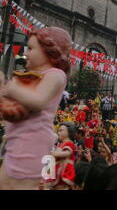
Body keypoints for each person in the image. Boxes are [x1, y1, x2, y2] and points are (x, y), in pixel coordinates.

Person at [0, 27, 72, 190]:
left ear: (50, 50)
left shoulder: (55, 75)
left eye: (31, 48)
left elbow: (38, 101)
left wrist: (11, 89)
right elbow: (12, 110)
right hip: (17, 142)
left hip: (32, 143)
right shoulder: (31, 76)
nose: (25, 52)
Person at [48, 122, 77, 190]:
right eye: (58, 131)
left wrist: (54, 154)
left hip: (65, 172)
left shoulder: (69, 143)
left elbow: (67, 153)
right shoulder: (60, 144)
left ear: (69, 132)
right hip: (57, 171)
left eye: (61, 130)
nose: (58, 133)